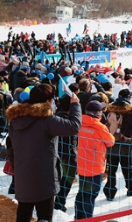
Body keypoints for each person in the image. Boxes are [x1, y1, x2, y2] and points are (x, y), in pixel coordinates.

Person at [5, 83, 81, 222]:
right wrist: (75, 104)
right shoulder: (46, 120)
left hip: (23, 174)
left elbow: (11, 147)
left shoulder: (15, 120)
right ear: (47, 101)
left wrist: (17, 168)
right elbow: (73, 126)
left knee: (23, 213)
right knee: (44, 216)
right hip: (44, 177)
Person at [75, 95, 115, 220]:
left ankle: (79, 217)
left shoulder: (80, 123)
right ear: (98, 114)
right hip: (95, 167)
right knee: (90, 196)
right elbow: (110, 141)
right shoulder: (100, 127)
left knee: (82, 193)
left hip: (82, 165)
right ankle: (88, 218)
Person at [103, 88, 132, 200]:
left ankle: (110, 191)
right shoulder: (129, 110)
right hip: (125, 143)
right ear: (128, 97)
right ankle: (131, 188)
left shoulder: (109, 108)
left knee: (112, 168)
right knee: (127, 166)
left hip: (111, 142)